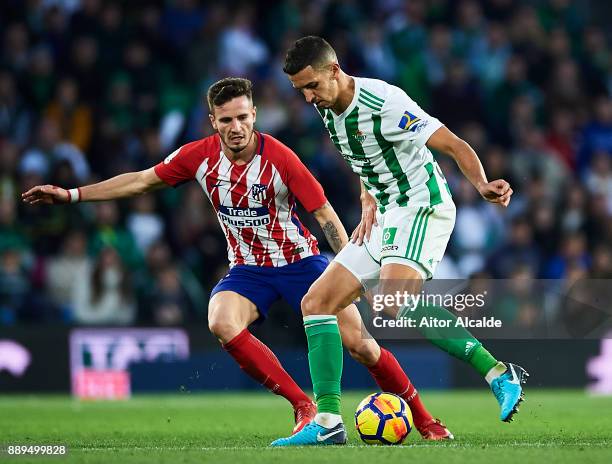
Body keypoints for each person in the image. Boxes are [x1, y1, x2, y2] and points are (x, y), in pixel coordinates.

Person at [22, 77, 452, 440]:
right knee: (220, 321)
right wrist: (72, 194)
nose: (236, 126)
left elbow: (324, 215)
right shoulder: (198, 156)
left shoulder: (281, 157)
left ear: (254, 116)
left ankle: (427, 421)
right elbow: (139, 181)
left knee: (360, 345)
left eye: (243, 117)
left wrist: (351, 267)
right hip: (248, 269)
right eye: (226, 119)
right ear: (213, 122)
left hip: (302, 263)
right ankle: (305, 408)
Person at [272, 36, 528, 446]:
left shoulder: (384, 101)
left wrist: (480, 183)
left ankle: (499, 373)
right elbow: (365, 156)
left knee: (392, 301)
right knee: (316, 303)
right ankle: (327, 422)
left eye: (312, 86)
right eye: (299, 90)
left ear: (334, 71)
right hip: (386, 211)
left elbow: (453, 143)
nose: (307, 98)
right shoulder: (328, 107)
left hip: (423, 204)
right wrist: (366, 196)